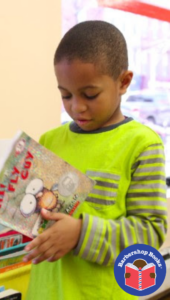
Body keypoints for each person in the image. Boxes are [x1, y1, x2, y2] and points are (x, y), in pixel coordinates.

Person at [23, 20, 168, 300]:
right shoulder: (50, 140)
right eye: (65, 95)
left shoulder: (142, 144)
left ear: (123, 82)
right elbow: (38, 215)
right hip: (45, 291)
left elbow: (149, 234)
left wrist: (80, 233)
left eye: (90, 95)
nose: (76, 106)